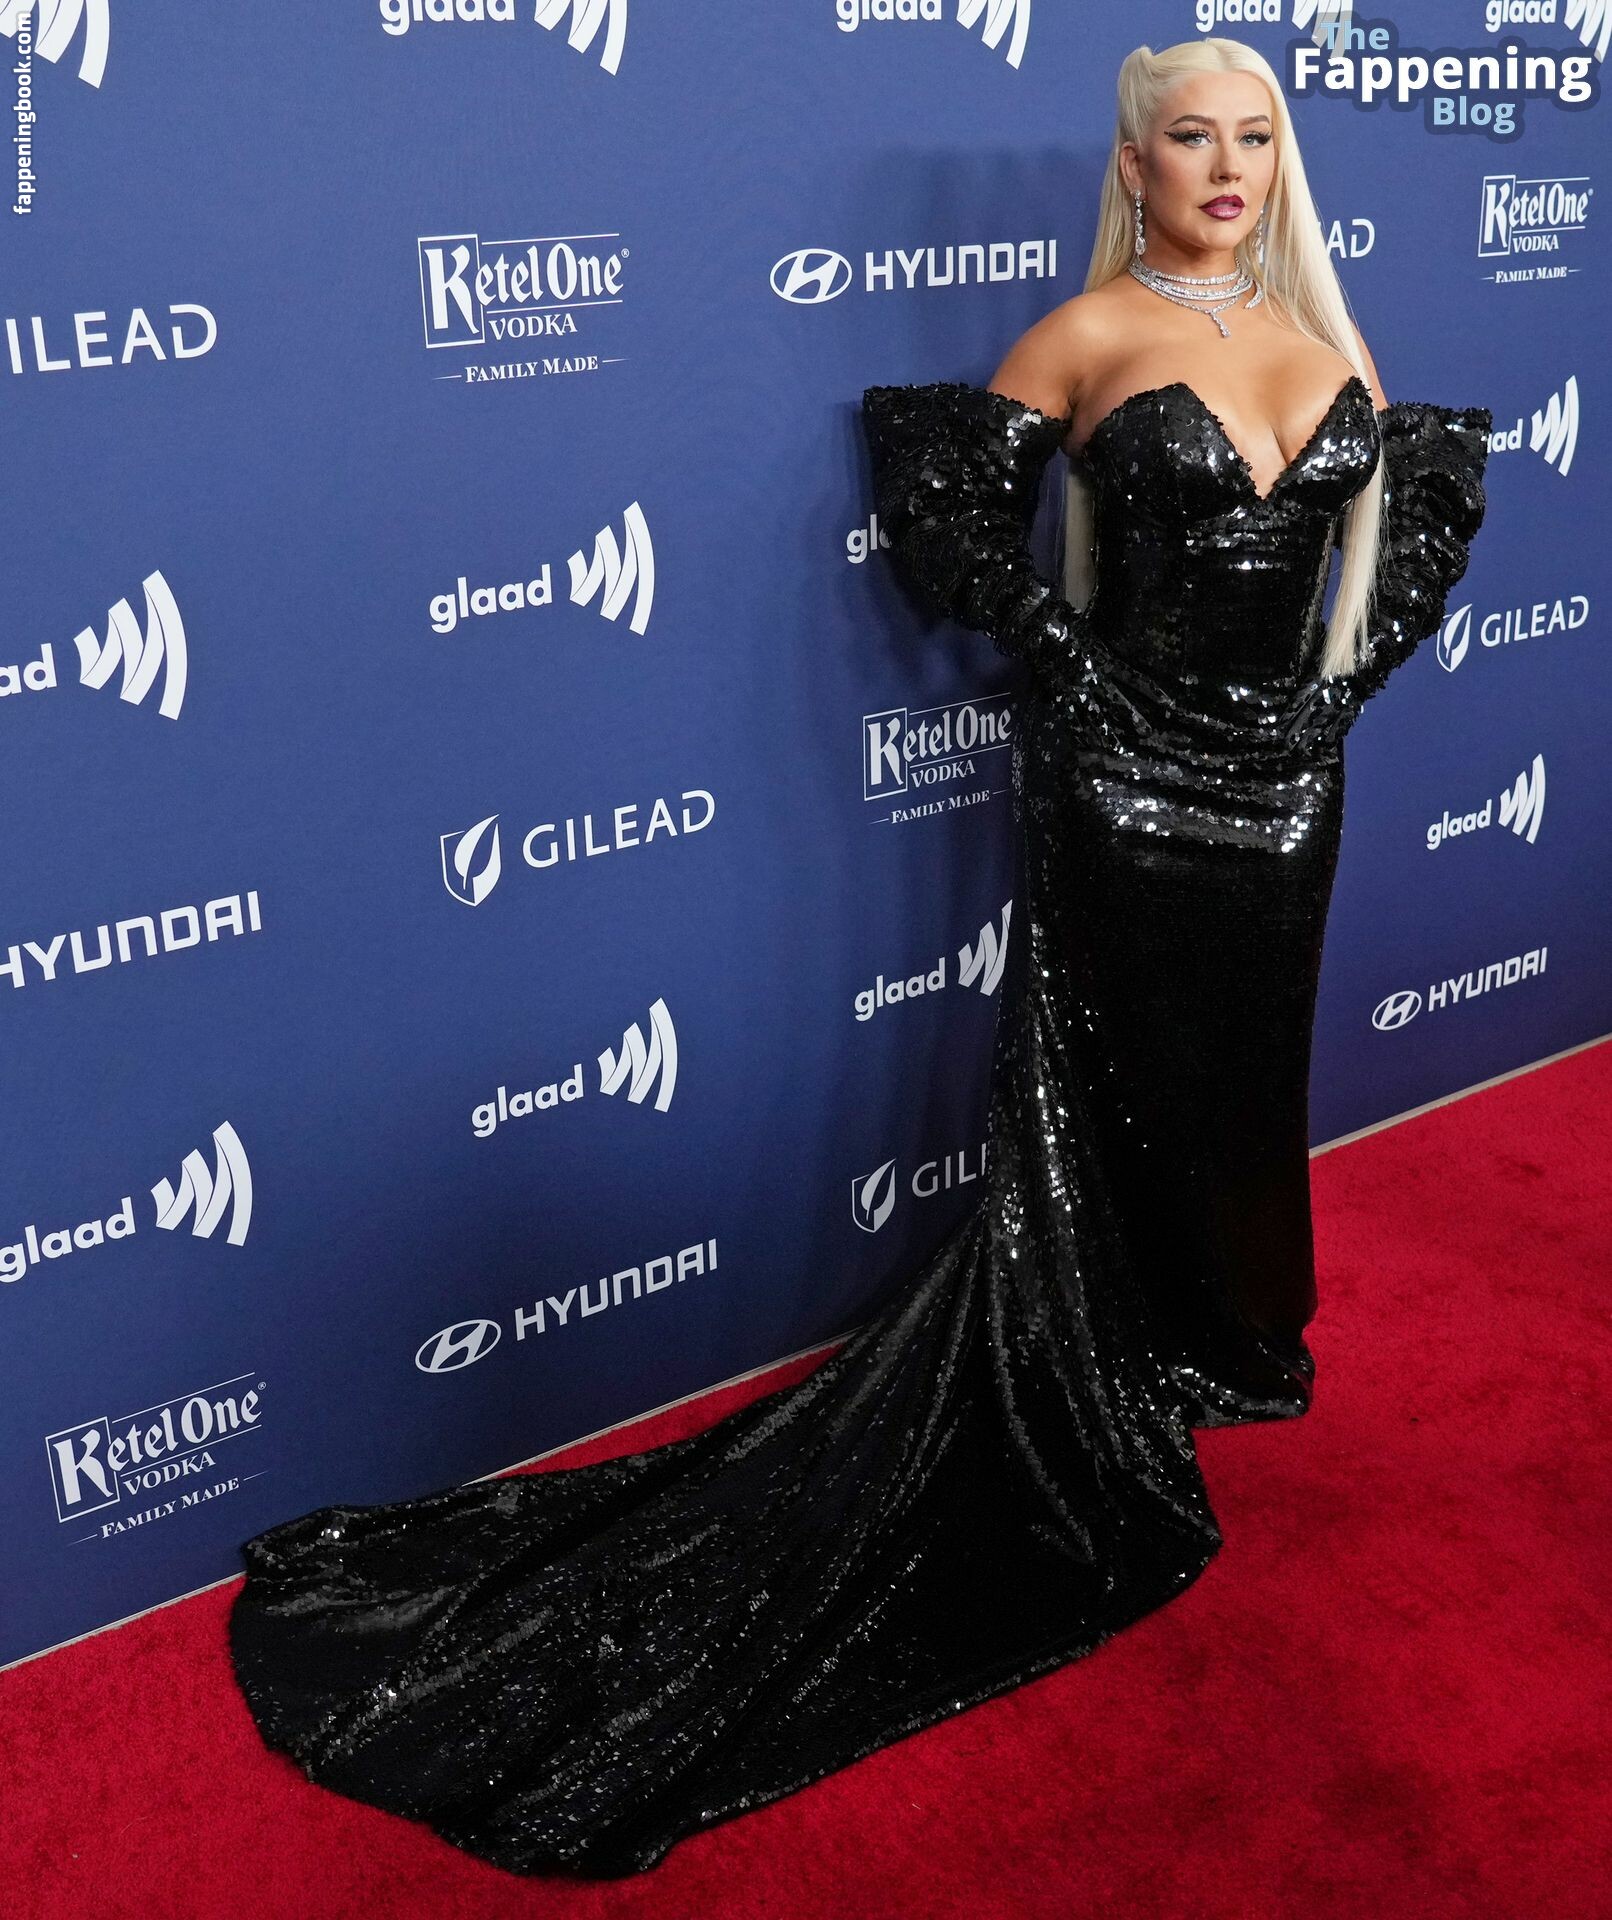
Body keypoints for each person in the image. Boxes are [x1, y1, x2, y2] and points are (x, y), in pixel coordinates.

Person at [226, 37, 1491, 1879]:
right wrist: (1070, 667)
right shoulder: (1082, 335)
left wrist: (1331, 700)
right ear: (1132, 164)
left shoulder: (1334, 342)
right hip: (1119, 782)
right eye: (1189, 138)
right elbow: (950, 518)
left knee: (1240, 1061)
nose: (1226, 167)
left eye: (1254, 137)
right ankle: (1099, 1355)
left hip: (1285, 788)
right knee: (1107, 1062)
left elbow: (1402, 545)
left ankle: (1216, 1331)